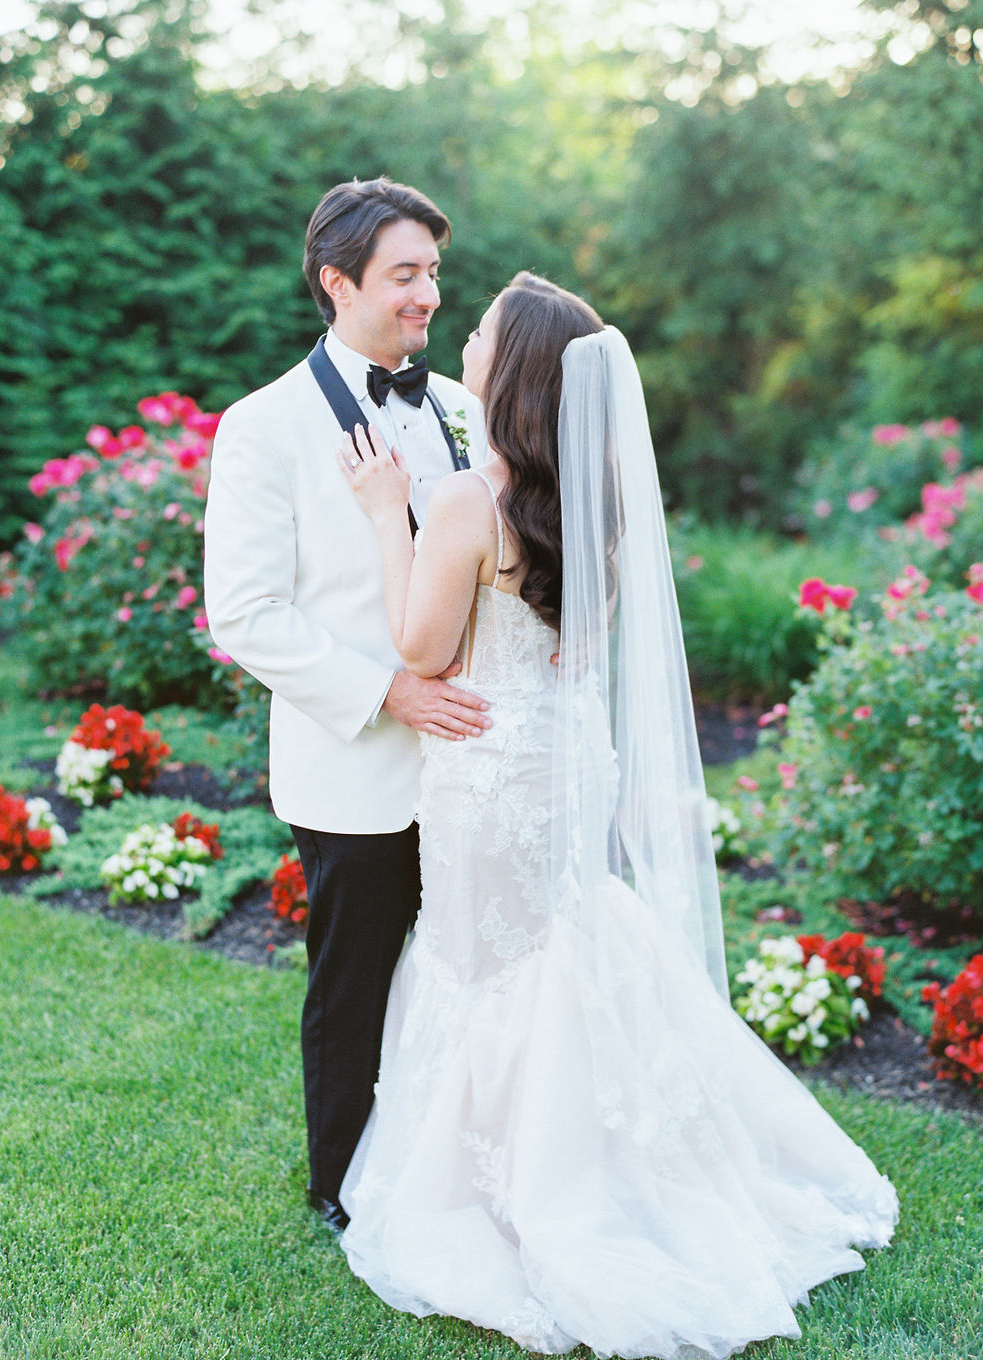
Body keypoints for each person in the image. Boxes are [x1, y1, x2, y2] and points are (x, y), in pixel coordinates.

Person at [334, 271, 899, 1358]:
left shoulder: (463, 500)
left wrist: (380, 515)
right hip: (559, 758)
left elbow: (420, 648)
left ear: (515, 370)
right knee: (561, 941)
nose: (469, 335)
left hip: (488, 767)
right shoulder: (590, 502)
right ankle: (604, 1154)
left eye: (487, 329)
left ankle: (526, 1187)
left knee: (490, 963)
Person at [203, 178, 490, 1233]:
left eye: (432, 272)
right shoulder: (262, 425)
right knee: (353, 983)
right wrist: (391, 692)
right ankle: (342, 1182)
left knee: (469, 973)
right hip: (353, 763)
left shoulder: (462, 408)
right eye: (406, 274)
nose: (428, 294)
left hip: (474, 759)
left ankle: (455, 1160)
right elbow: (245, 611)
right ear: (339, 282)